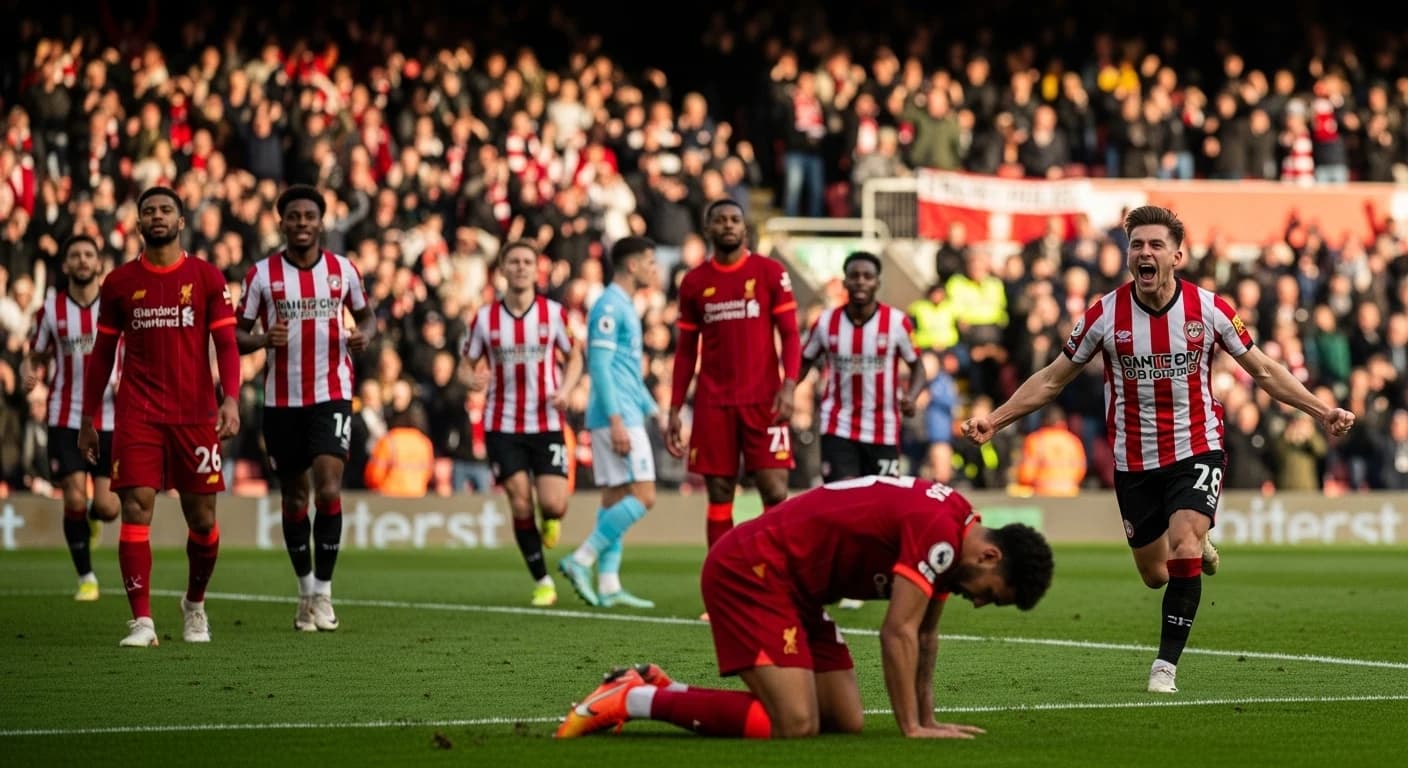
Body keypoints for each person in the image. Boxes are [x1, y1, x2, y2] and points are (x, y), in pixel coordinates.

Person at [963, 205, 1355, 693]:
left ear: (1177, 256)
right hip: (1135, 459)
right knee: (1154, 574)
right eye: (1136, 245)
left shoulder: (1210, 308)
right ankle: (1194, 543)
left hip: (1196, 446)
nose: (1144, 253)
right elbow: (1050, 381)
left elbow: (1263, 370)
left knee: (1183, 544)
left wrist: (1321, 410)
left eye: (1155, 245)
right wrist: (996, 420)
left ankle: (1165, 666)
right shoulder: (1104, 315)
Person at [554, 474, 1054, 739]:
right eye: (991, 593)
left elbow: (924, 634)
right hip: (753, 570)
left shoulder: (957, 530)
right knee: (795, 725)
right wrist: (912, 729)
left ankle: (668, 690)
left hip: (797, 591)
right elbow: (897, 632)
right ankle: (632, 699)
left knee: (845, 720)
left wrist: (930, 718)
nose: (980, 603)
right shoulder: (941, 533)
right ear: (990, 556)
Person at [79, 186, 243, 647]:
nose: (157, 216)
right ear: (137, 223)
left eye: (166, 209)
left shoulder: (207, 277)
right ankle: (142, 621)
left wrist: (231, 399)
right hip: (138, 414)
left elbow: (227, 345)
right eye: (149, 210)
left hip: (195, 415)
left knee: (203, 520)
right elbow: (102, 354)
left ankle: (195, 604)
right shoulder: (118, 282)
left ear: (180, 221)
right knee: (136, 507)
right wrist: (88, 418)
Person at [235, 184, 375, 633]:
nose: (301, 223)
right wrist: (262, 339)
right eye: (293, 216)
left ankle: (323, 593)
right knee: (295, 497)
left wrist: (364, 336)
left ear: (320, 223)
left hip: (332, 393)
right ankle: (304, 591)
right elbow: (234, 335)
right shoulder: (261, 275)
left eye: (309, 216)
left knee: (329, 489)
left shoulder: (343, 270)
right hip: (282, 401)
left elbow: (367, 317)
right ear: (282, 223)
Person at [666, 198, 801, 554]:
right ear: (708, 229)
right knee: (719, 492)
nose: (728, 225)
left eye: (735, 219)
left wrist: (789, 386)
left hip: (765, 400)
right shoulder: (694, 282)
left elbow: (790, 335)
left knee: (775, 490)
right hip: (714, 403)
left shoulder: (770, 272)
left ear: (744, 227)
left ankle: (777, 574)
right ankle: (722, 578)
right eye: (721, 220)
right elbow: (685, 351)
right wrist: (675, 408)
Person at [798, 250, 925, 609]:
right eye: (854, 275)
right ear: (845, 280)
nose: (860, 282)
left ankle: (881, 575)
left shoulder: (896, 323)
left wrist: (912, 396)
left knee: (884, 507)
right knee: (843, 504)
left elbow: (917, 367)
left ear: (877, 282)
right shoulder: (825, 323)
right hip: (838, 425)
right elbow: (804, 360)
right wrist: (787, 392)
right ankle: (847, 579)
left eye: (867, 276)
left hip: (883, 428)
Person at [461, 239, 583, 606]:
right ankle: (543, 581)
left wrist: (566, 389)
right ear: (502, 269)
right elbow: (465, 365)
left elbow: (575, 356)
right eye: (513, 261)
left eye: (527, 261)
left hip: (546, 421)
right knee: (519, 502)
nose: (520, 267)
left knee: (554, 504)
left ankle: (552, 518)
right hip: (502, 424)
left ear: (536, 269)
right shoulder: (485, 318)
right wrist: (472, 380)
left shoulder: (554, 313)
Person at [559, 237, 660, 609]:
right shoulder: (609, 305)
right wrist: (618, 421)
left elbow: (627, 372)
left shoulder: (625, 306)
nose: (655, 269)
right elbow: (599, 366)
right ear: (632, 265)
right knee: (644, 496)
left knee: (615, 497)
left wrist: (655, 412)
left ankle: (609, 583)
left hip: (624, 411)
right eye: (650, 261)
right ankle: (581, 559)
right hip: (617, 416)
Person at [21, 234, 121, 601]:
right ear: (65, 265)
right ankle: (87, 578)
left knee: (108, 508)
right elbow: (35, 355)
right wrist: (29, 373)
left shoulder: (116, 305)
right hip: (66, 416)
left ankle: (94, 518)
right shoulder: (51, 310)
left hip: (111, 418)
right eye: (75, 255)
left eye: (88, 254)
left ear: (98, 263)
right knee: (74, 498)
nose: (82, 260)